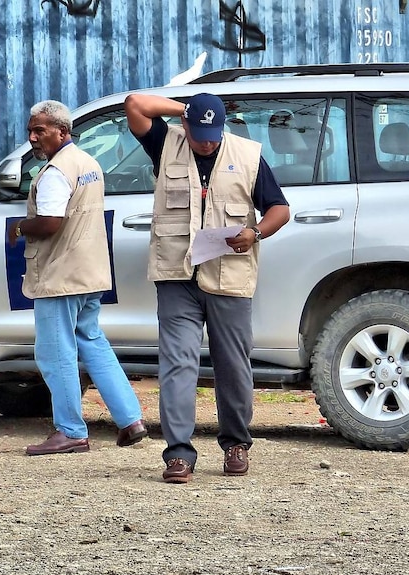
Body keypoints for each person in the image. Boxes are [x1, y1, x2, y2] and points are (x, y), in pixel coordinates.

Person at [124, 92, 290, 483]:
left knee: (233, 364)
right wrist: (184, 110)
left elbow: (279, 209)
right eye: (200, 132)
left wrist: (255, 233)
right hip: (176, 276)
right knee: (178, 363)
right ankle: (178, 454)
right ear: (186, 125)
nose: (207, 141)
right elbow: (135, 103)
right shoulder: (165, 143)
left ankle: (236, 444)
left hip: (228, 276)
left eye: (213, 133)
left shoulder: (247, 155)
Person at [7, 100, 147, 456]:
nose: (33, 138)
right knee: (93, 342)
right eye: (31, 131)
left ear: (62, 132)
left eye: (40, 131)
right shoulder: (89, 164)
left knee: (55, 353)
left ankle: (70, 431)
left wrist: (20, 227)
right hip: (90, 272)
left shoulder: (56, 171)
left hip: (60, 275)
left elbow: (52, 222)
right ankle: (130, 420)